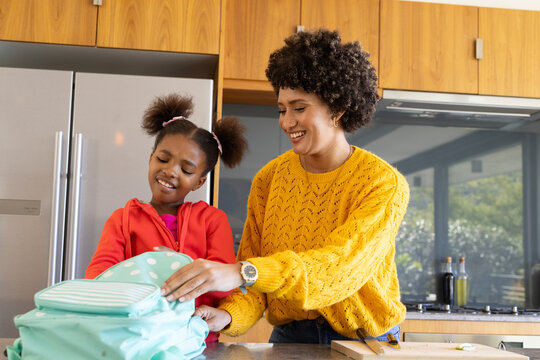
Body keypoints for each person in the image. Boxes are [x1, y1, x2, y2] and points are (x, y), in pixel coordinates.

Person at [159, 29, 410, 344]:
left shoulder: (382, 182)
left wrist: (244, 271)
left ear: (338, 109)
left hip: (364, 341)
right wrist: (227, 316)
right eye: (281, 109)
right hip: (289, 338)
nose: (286, 120)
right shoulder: (270, 179)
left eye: (299, 108)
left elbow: (338, 270)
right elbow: (255, 288)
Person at [85, 93, 248, 343]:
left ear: (199, 182)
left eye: (186, 170)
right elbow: (99, 277)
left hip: (196, 342)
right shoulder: (122, 219)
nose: (170, 170)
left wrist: (181, 266)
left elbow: (226, 285)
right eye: (163, 159)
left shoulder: (213, 220)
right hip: (134, 340)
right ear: (151, 159)